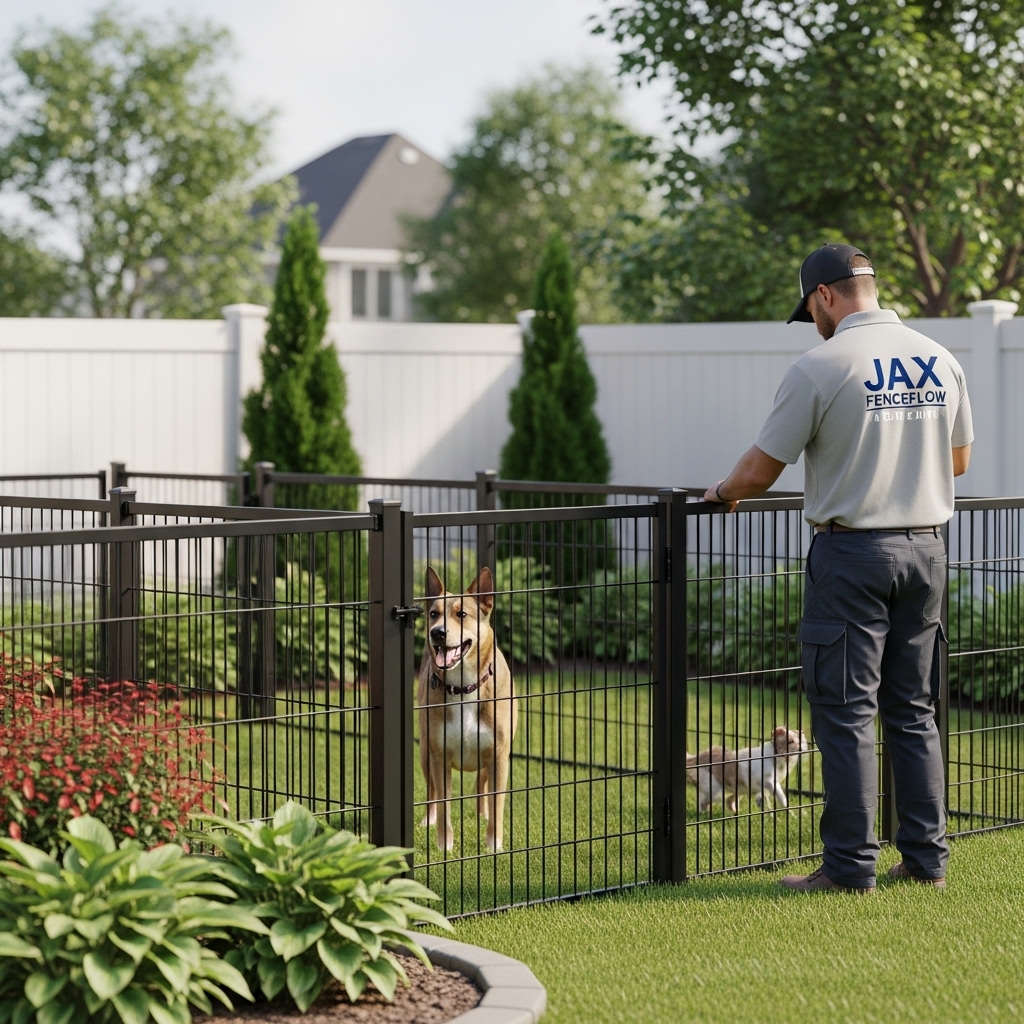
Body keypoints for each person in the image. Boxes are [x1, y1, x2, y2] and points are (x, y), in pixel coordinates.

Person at [705, 243, 973, 893]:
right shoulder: (940, 359)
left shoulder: (821, 366)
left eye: (811, 309)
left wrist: (720, 493)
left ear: (825, 295)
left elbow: (760, 470)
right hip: (927, 549)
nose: (813, 320)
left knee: (846, 712)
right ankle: (925, 862)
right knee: (912, 709)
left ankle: (850, 869)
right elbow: (958, 462)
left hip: (853, 553)